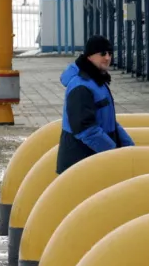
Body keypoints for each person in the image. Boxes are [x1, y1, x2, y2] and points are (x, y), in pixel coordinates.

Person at [57, 35, 135, 174]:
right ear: (89, 56)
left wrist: (129, 146)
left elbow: (109, 121)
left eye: (110, 53)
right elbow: (85, 129)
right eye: (103, 54)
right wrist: (113, 151)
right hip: (80, 164)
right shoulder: (81, 86)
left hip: (95, 159)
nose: (108, 58)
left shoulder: (97, 81)